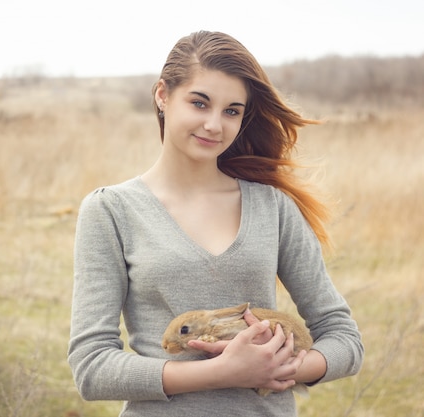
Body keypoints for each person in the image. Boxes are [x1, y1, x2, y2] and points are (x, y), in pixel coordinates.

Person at [67, 31, 363, 417]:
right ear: (162, 95)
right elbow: (91, 368)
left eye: (231, 111)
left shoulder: (272, 207)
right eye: (199, 103)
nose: (213, 125)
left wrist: (284, 366)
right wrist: (219, 373)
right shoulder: (111, 210)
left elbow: (344, 339)